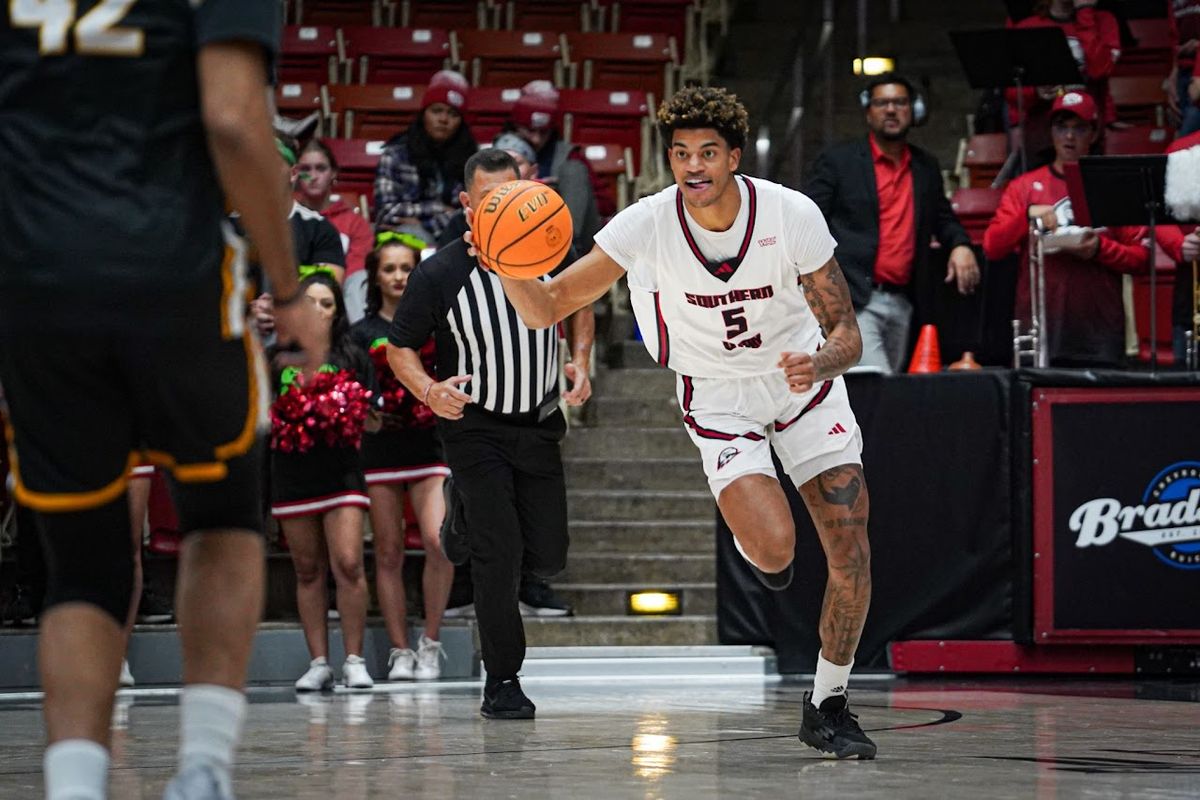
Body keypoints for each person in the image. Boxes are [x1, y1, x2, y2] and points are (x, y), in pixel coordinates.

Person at [487, 86, 877, 759]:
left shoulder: (792, 215)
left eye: (706, 153)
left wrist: (819, 365)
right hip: (718, 395)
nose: (692, 166)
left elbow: (846, 329)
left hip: (801, 382)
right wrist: (503, 258)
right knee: (777, 549)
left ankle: (829, 702)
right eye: (679, 153)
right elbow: (546, 306)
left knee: (851, 550)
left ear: (734, 158)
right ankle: (766, 544)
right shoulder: (644, 224)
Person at [0, 5, 326, 800]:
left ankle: (74, 784)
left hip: (38, 285)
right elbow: (234, 117)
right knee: (221, 516)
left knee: (82, 562)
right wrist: (287, 291)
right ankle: (204, 768)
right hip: (174, 275)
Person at [387, 148, 594, 720]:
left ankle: (458, 514)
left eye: (511, 197)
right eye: (489, 201)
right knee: (497, 556)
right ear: (466, 204)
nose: (503, 208)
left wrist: (579, 360)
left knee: (548, 554)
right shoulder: (440, 272)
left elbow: (582, 305)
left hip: (540, 422)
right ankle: (503, 680)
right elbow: (398, 345)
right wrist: (429, 390)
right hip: (474, 428)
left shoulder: (552, 251)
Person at [806, 73, 980, 373]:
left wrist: (961, 245)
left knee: (887, 391)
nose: (891, 110)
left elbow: (942, 217)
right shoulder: (839, 161)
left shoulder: (925, 166)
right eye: (882, 103)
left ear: (915, 110)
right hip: (855, 298)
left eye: (899, 102)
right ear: (867, 111)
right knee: (879, 383)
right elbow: (808, 219)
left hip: (904, 301)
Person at [350, 234, 453, 681]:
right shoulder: (360, 333)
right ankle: (400, 650)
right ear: (375, 275)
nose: (397, 276)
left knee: (438, 541)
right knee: (388, 551)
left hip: (429, 445)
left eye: (405, 268)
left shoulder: (434, 323)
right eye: (388, 268)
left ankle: (431, 642)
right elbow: (353, 394)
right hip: (381, 450)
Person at [983, 91, 1149, 367]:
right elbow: (992, 247)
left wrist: (1099, 248)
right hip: (1041, 325)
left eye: (1079, 128)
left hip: (1100, 326)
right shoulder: (1024, 186)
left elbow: (1142, 260)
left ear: (1094, 134)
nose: (1069, 137)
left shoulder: (1113, 186)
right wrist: (1025, 217)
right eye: (1062, 127)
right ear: (1051, 132)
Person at [271, 274, 376, 692]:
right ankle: (318, 662)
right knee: (307, 568)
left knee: (348, 563)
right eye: (309, 302)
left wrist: (345, 410)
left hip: (342, 472)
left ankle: (354, 660)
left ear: (337, 311)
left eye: (327, 303)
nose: (318, 310)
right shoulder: (275, 357)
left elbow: (373, 418)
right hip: (291, 472)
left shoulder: (353, 355)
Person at [1006, 0, 1121, 160]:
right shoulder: (1028, 26)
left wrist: (1084, 13)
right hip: (1042, 135)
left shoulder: (1104, 21)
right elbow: (1011, 92)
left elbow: (1100, 71)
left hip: (1087, 133)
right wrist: (1036, 91)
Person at [374, 78, 477, 241]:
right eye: (437, 111)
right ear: (424, 115)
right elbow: (387, 213)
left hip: (456, 240)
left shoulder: (472, 160)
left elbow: (473, 215)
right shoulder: (395, 155)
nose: (444, 119)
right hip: (404, 242)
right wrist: (440, 209)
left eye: (453, 114)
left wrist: (424, 225)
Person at [508, 83, 605, 252]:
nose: (536, 140)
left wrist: (557, 195)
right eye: (530, 130)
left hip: (566, 236)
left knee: (573, 170)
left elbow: (604, 205)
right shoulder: (502, 149)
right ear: (516, 127)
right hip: (514, 230)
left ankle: (565, 251)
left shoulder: (570, 156)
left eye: (543, 132)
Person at [294, 139, 374, 281]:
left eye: (321, 168)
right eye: (305, 169)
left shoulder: (355, 223)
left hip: (340, 295)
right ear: (296, 174)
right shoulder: (287, 216)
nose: (313, 177)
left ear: (333, 173)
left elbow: (356, 275)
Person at [1167, 1, 1200, 136]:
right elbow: (1175, 37)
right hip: (1183, 72)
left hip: (1197, 76)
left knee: (1184, 141)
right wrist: (1173, 74)